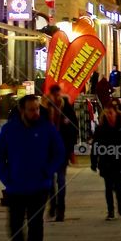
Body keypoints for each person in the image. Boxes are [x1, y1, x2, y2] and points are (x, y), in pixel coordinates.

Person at [0, 95, 64, 241]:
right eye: (32, 110)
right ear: (22, 110)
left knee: (35, 226)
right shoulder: (9, 130)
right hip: (15, 187)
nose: (36, 113)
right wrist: (7, 178)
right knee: (15, 227)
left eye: (37, 109)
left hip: (39, 187)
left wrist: (47, 171)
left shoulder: (46, 128)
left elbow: (58, 152)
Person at [90, 106, 121, 220]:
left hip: (120, 162)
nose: (109, 115)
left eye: (111, 113)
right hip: (106, 162)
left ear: (116, 113)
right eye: (107, 113)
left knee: (119, 186)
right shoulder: (100, 129)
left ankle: (119, 201)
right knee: (108, 187)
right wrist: (93, 161)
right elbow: (95, 145)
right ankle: (110, 210)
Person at [42, 85, 79, 222]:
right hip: (48, 151)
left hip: (62, 150)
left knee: (61, 180)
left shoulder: (66, 108)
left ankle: (61, 210)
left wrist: (71, 150)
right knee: (50, 182)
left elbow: (74, 128)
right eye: (54, 94)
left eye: (58, 94)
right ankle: (52, 206)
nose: (56, 97)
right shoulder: (44, 109)